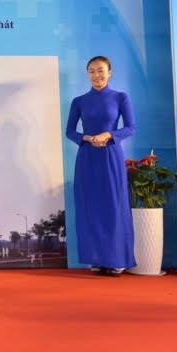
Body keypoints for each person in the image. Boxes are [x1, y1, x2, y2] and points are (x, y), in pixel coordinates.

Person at [65, 55, 136, 277]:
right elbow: (70, 131)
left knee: (114, 206)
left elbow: (131, 127)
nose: (96, 75)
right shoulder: (79, 101)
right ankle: (97, 258)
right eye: (92, 71)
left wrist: (109, 134)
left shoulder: (120, 98)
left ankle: (117, 260)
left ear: (110, 72)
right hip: (87, 157)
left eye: (101, 70)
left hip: (111, 155)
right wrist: (86, 138)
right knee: (91, 207)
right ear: (88, 74)